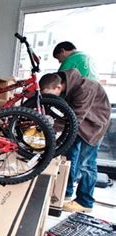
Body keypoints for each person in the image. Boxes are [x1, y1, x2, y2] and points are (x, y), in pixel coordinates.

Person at [39, 69, 110, 213]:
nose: (49, 98)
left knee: (86, 164)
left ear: (58, 87)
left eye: (50, 94)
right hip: (80, 125)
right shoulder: (68, 86)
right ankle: (66, 192)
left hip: (93, 126)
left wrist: (48, 125)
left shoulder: (85, 88)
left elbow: (75, 118)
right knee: (69, 158)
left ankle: (85, 202)